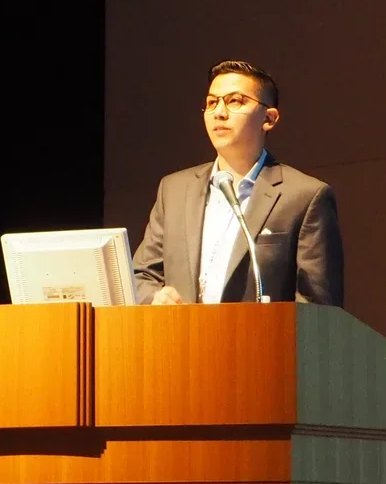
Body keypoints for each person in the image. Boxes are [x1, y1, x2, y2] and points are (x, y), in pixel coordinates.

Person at [131, 60, 345, 307]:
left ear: (269, 118)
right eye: (212, 103)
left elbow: (318, 306)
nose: (219, 112)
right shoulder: (175, 190)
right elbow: (143, 274)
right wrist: (156, 297)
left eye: (234, 101)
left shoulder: (304, 197)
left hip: (259, 343)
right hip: (181, 340)